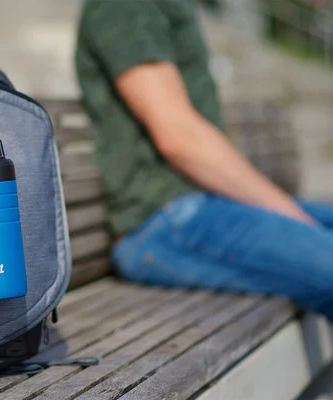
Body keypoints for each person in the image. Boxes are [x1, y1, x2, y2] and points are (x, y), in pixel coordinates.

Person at [75, 0, 333, 320]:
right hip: (163, 222)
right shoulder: (128, 6)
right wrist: (292, 216)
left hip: (202, 207)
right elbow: (179, 139)